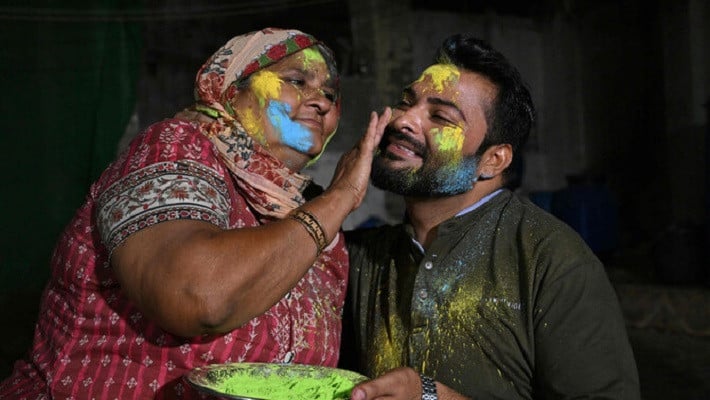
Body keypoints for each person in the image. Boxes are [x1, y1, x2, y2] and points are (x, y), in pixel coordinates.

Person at [0, 27, 390, 399]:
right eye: (297, 81)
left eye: (330, 93)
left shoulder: (319, 225)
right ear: (232, 89)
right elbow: (197, 296)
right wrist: (342, 196)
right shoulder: (174, 148)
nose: (322, 100)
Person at [341, 34, 641, 399]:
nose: (405, 119)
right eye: (407, 102)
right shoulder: (360, 257)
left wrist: (435, 397)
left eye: (440, 116)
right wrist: (340, 195)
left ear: (493, 160)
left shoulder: (549, 257)